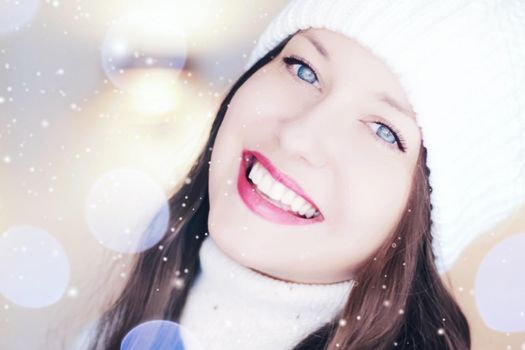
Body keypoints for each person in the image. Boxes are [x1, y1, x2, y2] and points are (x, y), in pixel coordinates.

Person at [84, 0, 525, 349]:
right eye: (303, 69)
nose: (299, 137)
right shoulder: (122, 323)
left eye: (384, 132)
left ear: (427, 221)